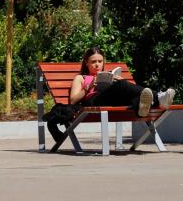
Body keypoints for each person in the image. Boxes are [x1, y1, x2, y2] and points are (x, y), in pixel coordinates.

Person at [44, 46, 175, 143]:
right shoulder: (81, 78)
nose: (97, 65)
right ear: (86, 63)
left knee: (122, 85)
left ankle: (142, 106)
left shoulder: (107, 74)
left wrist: (117, 81)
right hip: (93, 101)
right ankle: (158, 98)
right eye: (93, 62)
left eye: (100, 61)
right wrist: (88, 87)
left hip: (110, 99)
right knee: (122, 85)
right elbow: (73, 100)